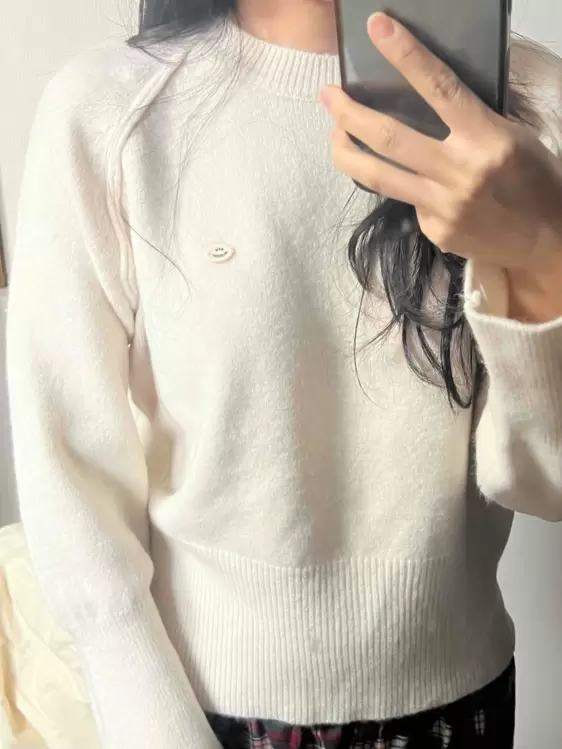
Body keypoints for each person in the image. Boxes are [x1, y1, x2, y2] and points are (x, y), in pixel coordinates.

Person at [6, 1, 562, 747]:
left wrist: (545, 254)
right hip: (198, 709)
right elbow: (71, 484)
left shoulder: (535, 108)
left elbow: (548, 485)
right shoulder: (111, 112)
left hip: (464, 697)